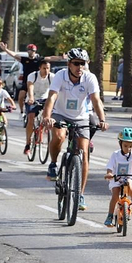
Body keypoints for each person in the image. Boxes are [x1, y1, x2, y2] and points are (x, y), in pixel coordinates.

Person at [39, 47, 107, 209]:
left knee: (83, 153)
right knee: (60, 136)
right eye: (76, 63)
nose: (79, 67)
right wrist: (47, 117)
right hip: (60, 113)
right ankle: (54, 163)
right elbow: (52, 96)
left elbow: (96, 100)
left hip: (81, 117)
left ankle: (80, 194)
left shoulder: (90, 78)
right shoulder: (60, 76)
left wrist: (102, 119)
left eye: (82, 64)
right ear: (69, 64)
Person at [23, 59, 53, 148]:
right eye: (44, 68)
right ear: (39, 68)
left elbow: (56, 89)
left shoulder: (52, 77)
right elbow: (30, 86)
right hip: (33, 99)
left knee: (46, 116)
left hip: (45, 98)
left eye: (48, 68)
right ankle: (28, 142)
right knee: (31, 118)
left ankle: (41, 131)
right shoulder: (33, 75)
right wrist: (31, 97)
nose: (46, 70)